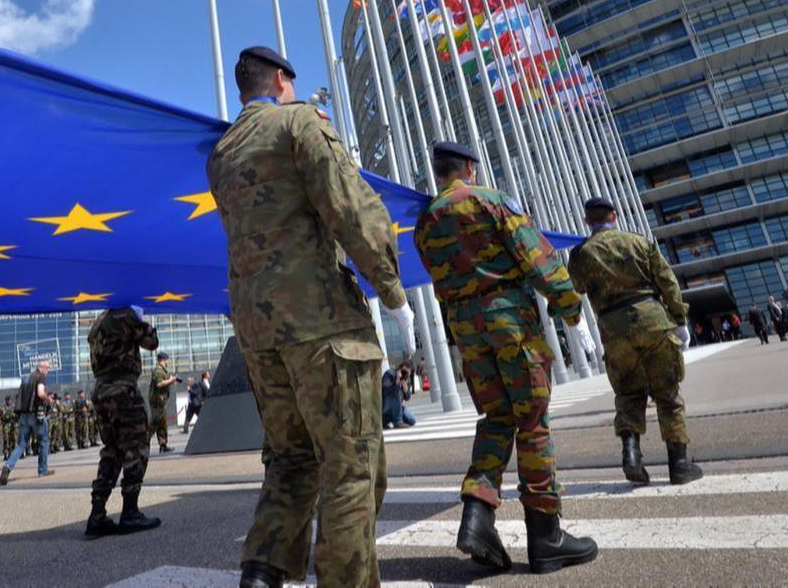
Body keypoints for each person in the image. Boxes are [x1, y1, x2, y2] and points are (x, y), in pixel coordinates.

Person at [206, 47, 417, 588]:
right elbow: (350, 206)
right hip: (322, 325)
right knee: (350, 464)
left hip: (258, 335)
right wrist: (392, 291)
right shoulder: (301, 122)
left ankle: (262, 573)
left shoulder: (222, 153)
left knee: (290, 459)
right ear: (281, 80)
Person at [415, 141, 597, 575]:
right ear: (469, 168)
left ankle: (477, 515)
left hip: (466, 328)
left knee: (497, 419)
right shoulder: (490, 201)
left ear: (439, 173)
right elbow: (538, 257)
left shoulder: (425, 222)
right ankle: (546, 535)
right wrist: (570, 307)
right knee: (532, 419)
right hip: (509, 320)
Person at [567, 197, 703, 489]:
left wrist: (575, 324)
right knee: (668, 395)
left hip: (613, 330)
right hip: (653, 321)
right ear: (614, 216)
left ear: (586, 222)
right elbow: (668, 282)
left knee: (628, 395)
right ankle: (679, 465)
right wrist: (679, 318)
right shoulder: (640, 242)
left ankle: (632, 454)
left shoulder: (580, 254)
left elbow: (572, 291)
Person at [84, 305, 164, 538]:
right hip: (123, 389)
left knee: (112, 450)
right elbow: (152, 342)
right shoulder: (125, 315)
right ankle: (130, 512)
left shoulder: (98, 321)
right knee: (136, 446)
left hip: (102, 391)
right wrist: (141, 318)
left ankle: (97, 514)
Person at [0, 359, 54, 483]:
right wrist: (48, 399)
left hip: (23, 416)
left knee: (21, 444)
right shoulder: (40, 377)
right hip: (36, 415)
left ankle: (7, 466)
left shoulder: (26, 379)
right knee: (43, 442)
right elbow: (40, 393)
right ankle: (42, 470)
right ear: (42, 367)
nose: (49, 371)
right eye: (48, 368)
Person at [147, 352, 177, 453]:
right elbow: (159, 384)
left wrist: (171, 379)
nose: (168, 361)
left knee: (162, 423)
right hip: (156, 402)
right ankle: (142, 443)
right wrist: (171, 380)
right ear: (163, 360)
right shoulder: (158, 371)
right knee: (155, 423)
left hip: (161, 402)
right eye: (167, 360)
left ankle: (163, 445)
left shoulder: (163, 371)